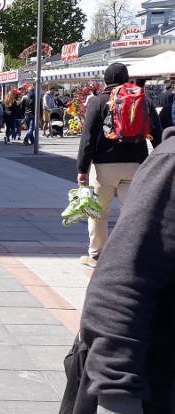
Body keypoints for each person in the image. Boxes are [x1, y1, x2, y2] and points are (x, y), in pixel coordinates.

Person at [61, 125, 175, 414]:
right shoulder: (171, 163)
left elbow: (90, 132)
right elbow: (120, 282)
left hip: (107, 165)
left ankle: (95, 247)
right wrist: (117, 408)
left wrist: (84, 164)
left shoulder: (100, 100)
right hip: (158, 404)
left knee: (102, 216)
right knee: (134, 227)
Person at [76, 62, 163, 268]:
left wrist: (82, 169)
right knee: (131, 213)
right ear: (126, 79)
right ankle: (131, 257)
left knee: (98, 212)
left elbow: (87, 138)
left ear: (105, 81)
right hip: (136, 164)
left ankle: (96, 255)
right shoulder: (144, 101)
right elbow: (157, 135)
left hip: (105, 166)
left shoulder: (98, 102)